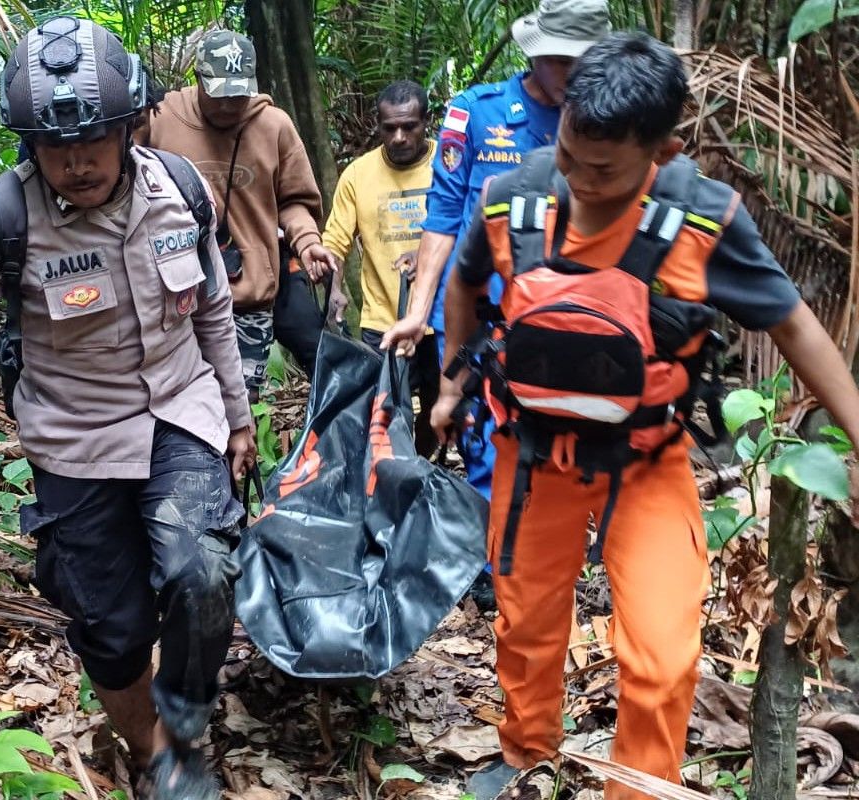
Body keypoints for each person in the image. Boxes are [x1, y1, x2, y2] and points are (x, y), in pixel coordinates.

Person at [384, 31, 859, 800]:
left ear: (663, 153)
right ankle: (526, 750)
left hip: (647, 456)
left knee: (664, 653)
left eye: (602, 170)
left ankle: (640, 789)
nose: (575, 178)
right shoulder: (519, 192)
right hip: (531, 451)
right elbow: (467, 283)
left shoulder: (700, 219)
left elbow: (795, 324)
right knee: (527, 625)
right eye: (569, 152)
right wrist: (449, 387)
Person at [0, 18, 254, 799]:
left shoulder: (182, 192)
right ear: (28, 145)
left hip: (181, 415)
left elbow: (214, 310)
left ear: (131, 127)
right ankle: (146, 744)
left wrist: (240, 416)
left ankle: (181, 731)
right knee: (109, 628)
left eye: (94, 141)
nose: (77, 162)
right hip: (73, 440)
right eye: (56, 147)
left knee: (203, 570)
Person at [418, 0, 611, 498]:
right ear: (534, 54)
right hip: (480, 315)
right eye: (560, 61)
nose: (571, 75)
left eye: (583, 62)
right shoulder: (477, 112)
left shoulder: (611, 125)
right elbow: (442, 218)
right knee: (488, 445)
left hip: (571, 316)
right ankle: (493, 566)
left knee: (565, 447)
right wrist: (418, 311)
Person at [142, 30, 342, 397]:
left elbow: (294, 200)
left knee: (240, 405)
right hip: (177, 296)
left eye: (239, 94)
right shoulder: (160, 119)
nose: (230, 105)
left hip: (247, 295)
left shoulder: (274, 126)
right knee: (182, 405)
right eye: (220, 94)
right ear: (198, 79)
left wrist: (308, 241)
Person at [321, 80, 439, 456]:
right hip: (381, 322)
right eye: (389, 128)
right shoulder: (358, 175)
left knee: (438, 411)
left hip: (439, 320)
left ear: (427, 121)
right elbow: (335, 241)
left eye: (410, 126)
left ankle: (426, 474)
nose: (400, 137)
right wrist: (335, 287)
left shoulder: (448, 164)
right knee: (388, 413)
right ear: (378, 125)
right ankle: (394, 485)